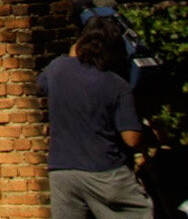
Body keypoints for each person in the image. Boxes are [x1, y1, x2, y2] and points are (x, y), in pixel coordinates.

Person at [38, 15, 154, 219]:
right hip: (105, 172)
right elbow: (132, 139)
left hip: (62, 172)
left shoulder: (57, 69)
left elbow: (43, 84)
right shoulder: (117, 85)